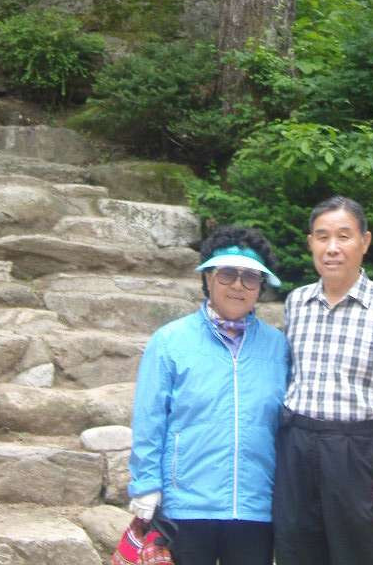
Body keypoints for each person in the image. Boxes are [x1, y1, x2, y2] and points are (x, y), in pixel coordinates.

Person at [273, 195, 373, 565]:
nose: (332, 248)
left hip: (358, 453)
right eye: (322, 237)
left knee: (362, 554)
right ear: (310, 242)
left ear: (364, 242)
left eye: (344, 236)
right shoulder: (297, 303)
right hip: (298, 447)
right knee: (296, 552)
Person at [127, 225, 289, 565]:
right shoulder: (170, 341)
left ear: (261, 286)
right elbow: (150, 418)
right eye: (227, 274)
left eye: (250, 277)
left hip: (255, 507)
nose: (238, 286)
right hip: (185, 505)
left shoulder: (278, 347)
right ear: (208, 278)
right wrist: (146, 485)